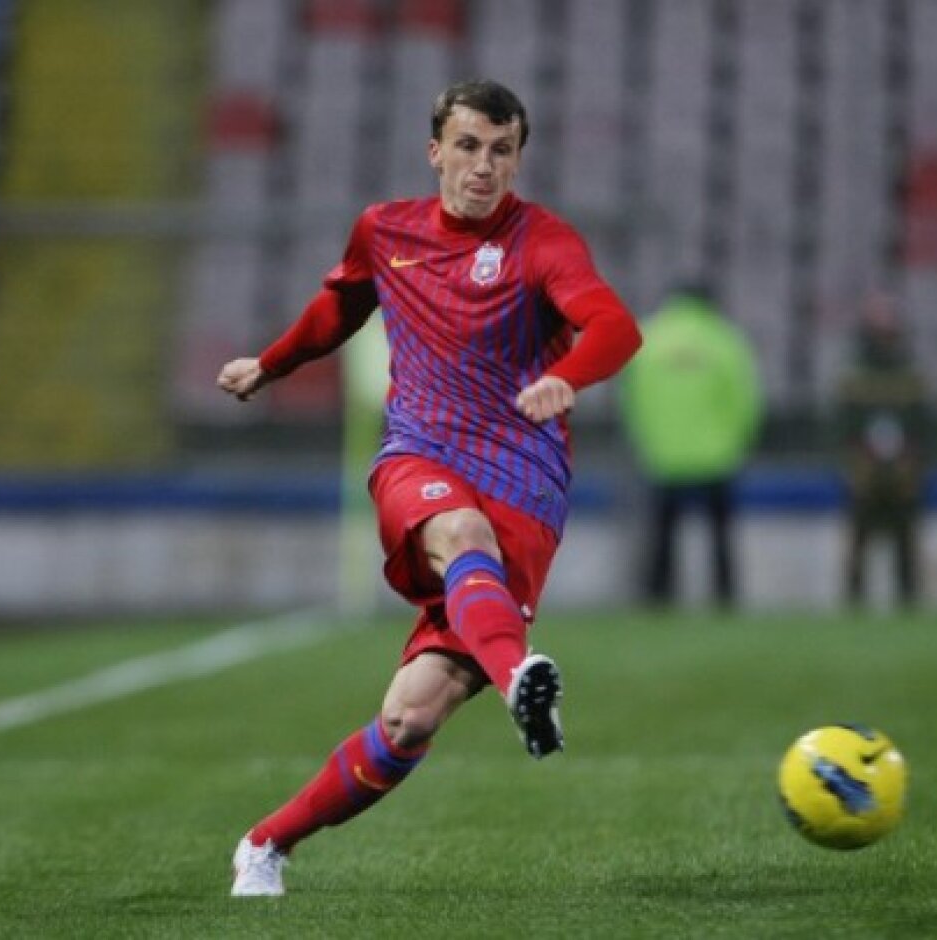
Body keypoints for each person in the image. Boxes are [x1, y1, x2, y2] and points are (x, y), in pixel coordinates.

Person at [217, 79, 642, 897]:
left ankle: (265, 843)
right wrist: (269, 365)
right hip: (420, 456)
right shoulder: (386, 230)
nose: (485, 166)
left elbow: (615, 326)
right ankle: (521, 680)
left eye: (503, 150)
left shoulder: (543, 241)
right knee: (460, 534)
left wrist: (569, 375)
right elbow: (339, 308)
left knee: (409, 718)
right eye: (470, 146)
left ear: (518, 160)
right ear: (435, 151)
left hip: (524, 482)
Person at [620, 281, 763, 606]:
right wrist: (740, 440)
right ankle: (724, 597)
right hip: (717, 455)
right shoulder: (725, 339)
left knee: (663, 535)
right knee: (720, 535)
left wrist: (646, 439)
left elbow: (632, 399)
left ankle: (658, 597)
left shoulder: (649, 338)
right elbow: (745, 400)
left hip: (664, 455)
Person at [835, 293, 931, 608]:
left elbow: (927, 426)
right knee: (859, 543)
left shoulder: (911, 374)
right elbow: (839, 427)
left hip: (903, 473)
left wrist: (917, 465)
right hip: (864, 473)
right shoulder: (854, 374)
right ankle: (854, 604)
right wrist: (851, 465)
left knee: (905, 542)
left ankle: (909, 603)